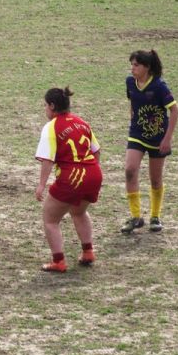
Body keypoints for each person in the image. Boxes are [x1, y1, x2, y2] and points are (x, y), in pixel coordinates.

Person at [35, 86, 103, 273]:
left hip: (72, 177)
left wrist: (41, 185)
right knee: (79, 212)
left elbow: (47, 159)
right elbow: (96, 150)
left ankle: (59, 261)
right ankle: (88, 252)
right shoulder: (82, 123)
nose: (45, 109)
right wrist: (90, 170)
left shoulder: (52, 127)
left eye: (45, 106)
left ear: (52, 105)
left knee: (50, 219)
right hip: (93, 173)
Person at [120, 49, 178, 234]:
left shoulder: (160, 86)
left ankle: (155, 216)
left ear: (147, 67)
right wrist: (132, 119)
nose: (132, 68)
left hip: (157, 139)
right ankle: (136, 217)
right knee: (129, 170)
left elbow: (175, 111)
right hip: (136, 134)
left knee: (155, 179)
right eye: (131, 65)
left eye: (136, 65)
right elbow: (133, 102)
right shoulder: (130, 82)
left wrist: (167, 138)